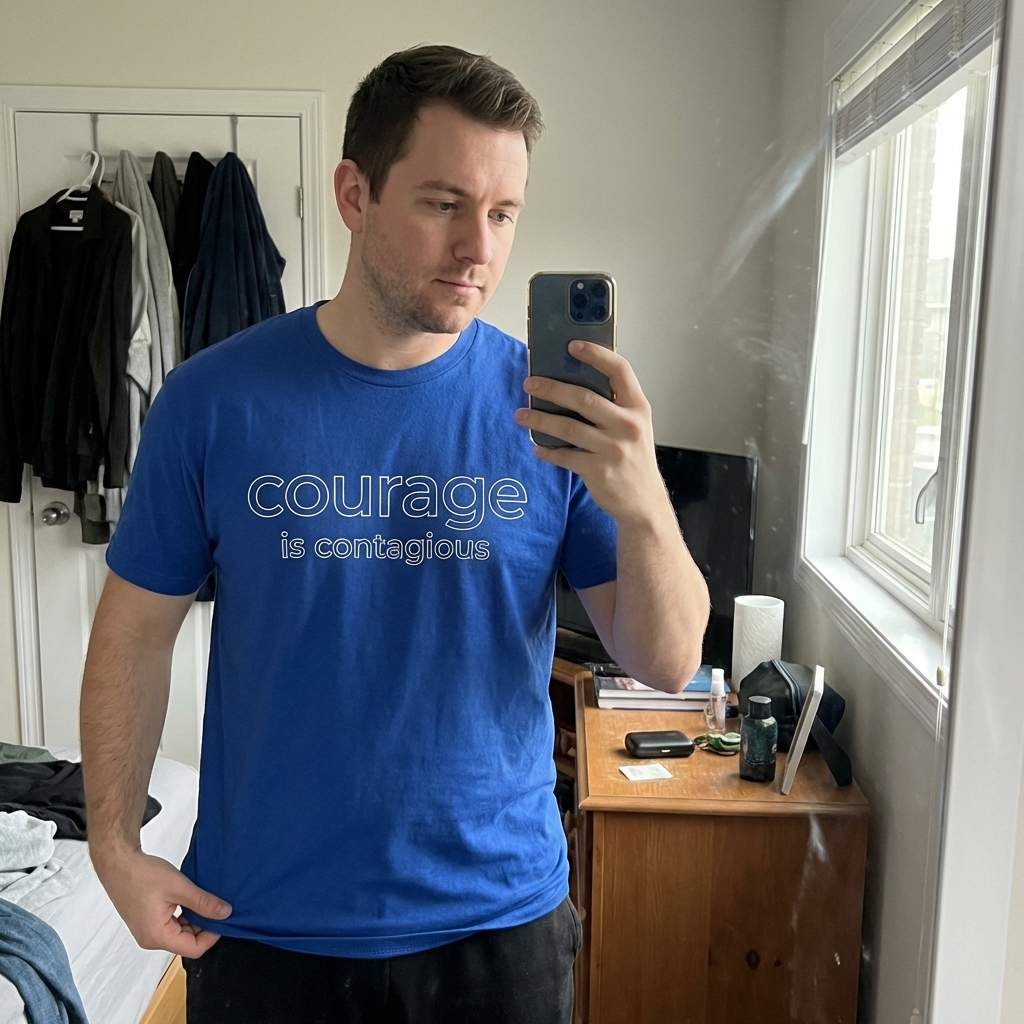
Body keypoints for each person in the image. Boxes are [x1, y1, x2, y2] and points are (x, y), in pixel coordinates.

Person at [79, 44, 710, 1024]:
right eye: (443, 203)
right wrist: (113, 845)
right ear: (354, 194)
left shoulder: (554, 414)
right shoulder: (211, 402)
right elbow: (133, 631)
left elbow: (667, 663)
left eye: (503, 213)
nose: (478, 248)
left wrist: (643, 502)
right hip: (265, 927)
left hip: (498, 930)